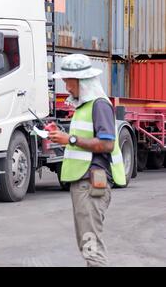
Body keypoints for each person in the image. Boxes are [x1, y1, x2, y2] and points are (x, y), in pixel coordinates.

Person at [48, 54, 126, 267]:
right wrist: (62, 137)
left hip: (91, 183)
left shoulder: (99, 105)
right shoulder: (84, 107)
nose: (66, 86)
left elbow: (107, 144)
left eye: (68, 81)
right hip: (84, 183)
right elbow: (83, 143)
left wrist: (70, 139)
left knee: (91, 247)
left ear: (81, 80)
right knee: (87, 244)